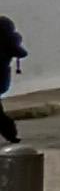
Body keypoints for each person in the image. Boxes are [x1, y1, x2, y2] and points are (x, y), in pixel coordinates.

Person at [0, 14, 25, 147]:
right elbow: (22, 53)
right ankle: (10, 134)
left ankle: (10, 133)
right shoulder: (11, 41)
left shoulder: (8, 41)